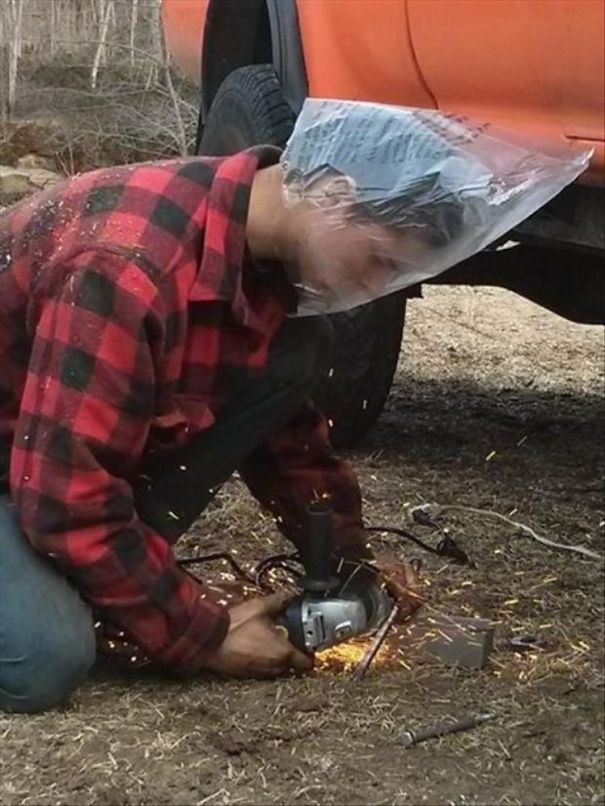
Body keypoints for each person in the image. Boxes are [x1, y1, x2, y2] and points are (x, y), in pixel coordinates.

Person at [0, 133, 429, 713]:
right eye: (379, 256)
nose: (376, 284)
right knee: (43, 657)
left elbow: (288, 444)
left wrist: (352, 564)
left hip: (44, 451)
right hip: (33, 473)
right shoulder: (126, 267)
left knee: (298, 347)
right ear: (334, 195)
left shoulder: (254, 242)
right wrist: (203, 636)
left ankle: (83, 577)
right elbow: (64, 498)